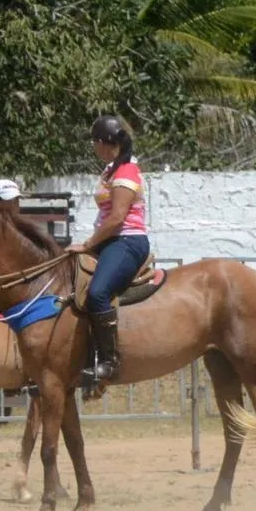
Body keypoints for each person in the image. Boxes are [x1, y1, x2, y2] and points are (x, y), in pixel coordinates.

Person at [63, 115, 149, 383]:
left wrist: (88, 244)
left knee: (98, 292)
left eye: (94, 143)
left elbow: (117, 218)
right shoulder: (112, 169)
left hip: (126, 241)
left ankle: (109, 361)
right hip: (110, 241)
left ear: (103, 143)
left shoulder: (126, 172)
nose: (93, 148)